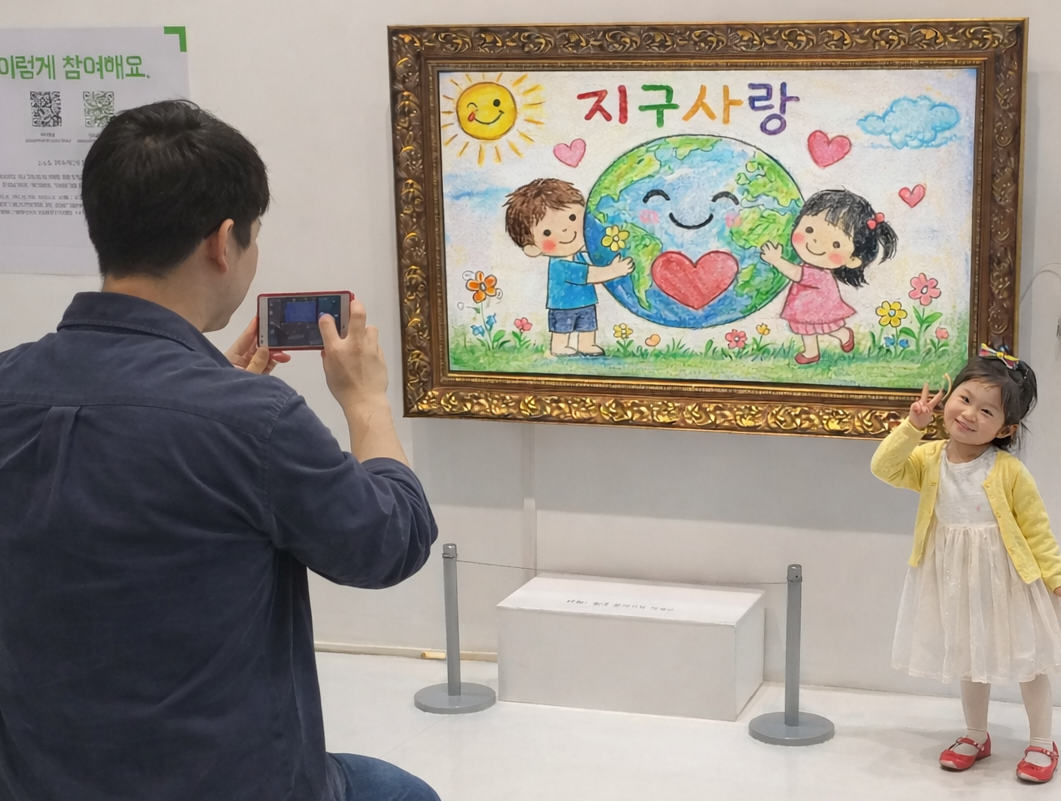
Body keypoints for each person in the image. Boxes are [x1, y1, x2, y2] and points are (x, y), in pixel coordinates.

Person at [0, 100, 440, 801]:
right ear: (223, 241)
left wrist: (214, 406)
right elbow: (392, 542)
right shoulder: (253, 421)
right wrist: (366, 402)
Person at [870, 347, 1061, 784]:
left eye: (986, 410)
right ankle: (975, 734)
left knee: (1031, 661)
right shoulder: (930, 459)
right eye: (964, 398)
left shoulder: (1008, 471)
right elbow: (884, 468)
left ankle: (1042, 742)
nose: (969, 414)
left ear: (1005, 428)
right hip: (956, 579)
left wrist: (1058, 579)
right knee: (970, 657)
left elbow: (1037, 530)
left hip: (1010, 582)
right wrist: (912, 426)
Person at [759, 189, 897, 365]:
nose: (815, 242)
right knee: (809, 328)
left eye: (836, 244)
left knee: (823, 327)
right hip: (806, 306)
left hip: (818, 307)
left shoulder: (818, 274)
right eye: (809, 229)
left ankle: (842, 336)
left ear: (853, 260)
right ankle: (813, 351)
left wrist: (776, 260)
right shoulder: (813, 266)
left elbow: (795, 273)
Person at [503, 177, 633, 357]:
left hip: (586, 301)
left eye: (572, 217)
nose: (565, 229)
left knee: (588, 325)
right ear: (533, 249)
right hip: (563, 305)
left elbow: (593, 259)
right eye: (547, 232)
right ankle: (559, 346)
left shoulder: (580, 254)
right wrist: (614, 271)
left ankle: (587, 344)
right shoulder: (561, 265)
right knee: (562, 327)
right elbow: (589, 274)